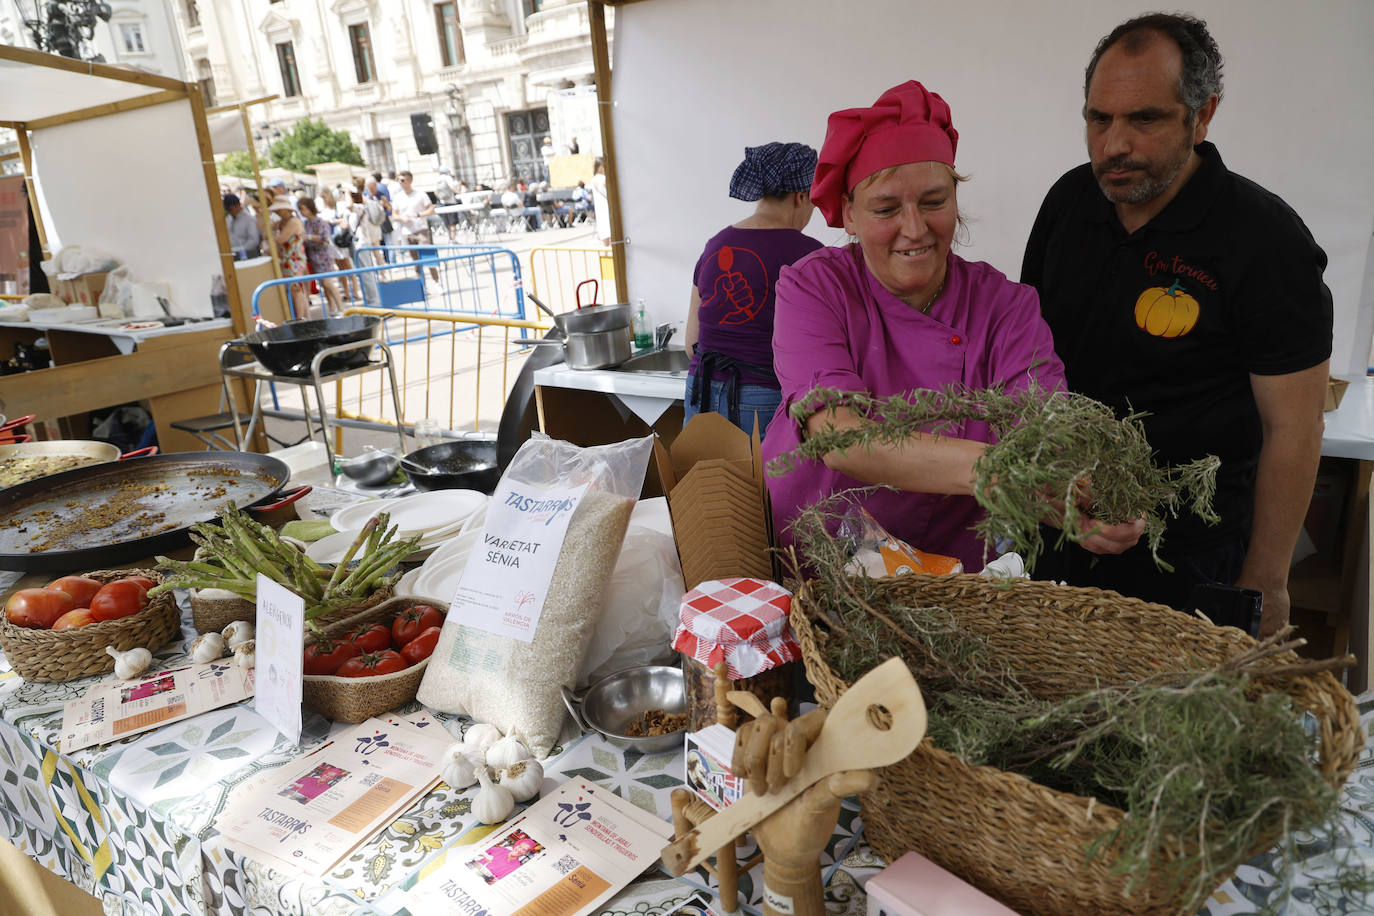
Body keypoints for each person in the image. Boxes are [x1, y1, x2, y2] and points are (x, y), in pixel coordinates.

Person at [1020, 13, 1331, 636]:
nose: (1114, 145)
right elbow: (1027, 363)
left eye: (1145, 119)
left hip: (1192, 556)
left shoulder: (1264, 240)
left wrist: (1268, 583)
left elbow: (1293, 427)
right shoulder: (1069, 204)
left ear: (1203, 113)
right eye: (1098, 118)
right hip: (1061, 534)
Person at [759, 80, 1143, 573]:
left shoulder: (1006, 307)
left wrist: (1077, 502)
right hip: (819, 560)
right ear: (850, 214)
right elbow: (840, 439)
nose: (915, 228)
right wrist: (995, 470)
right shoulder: (815, 287)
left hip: (951, 583)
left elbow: (1043, 438)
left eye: (934, 201)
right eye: (886, 209)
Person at [684, 142, 822, 434]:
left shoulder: (716, 244)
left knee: (704, 480)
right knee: (765, 482)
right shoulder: (809, 255)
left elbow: (690, 344)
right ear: (801, 197)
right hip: (762, 398)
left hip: (700, 391)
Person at [298, 197, 344, 316]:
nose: (301, 211)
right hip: (313, 254)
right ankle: (332, 307)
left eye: (303, 208)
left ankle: (340, 307)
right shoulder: (306, 223)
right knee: (323, 284)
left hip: (323, 254)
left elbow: (323, 238)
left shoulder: (320, 222)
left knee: (328, 282)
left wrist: (308, 237)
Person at [393, 170, 439, 282]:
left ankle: (436, 281)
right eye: (398, 180)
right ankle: (422, 284)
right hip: (407, 231)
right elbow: (394, 215)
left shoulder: (420, 194)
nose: (400, 182)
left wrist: (418, 215)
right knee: (415, 260)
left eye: (402, 180)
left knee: (428, 257)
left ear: (410, 181)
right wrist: (401, 218)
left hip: (421, 229)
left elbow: (431, 210)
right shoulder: (397, 197)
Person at [267, 196, 309, 317]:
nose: (277, 212)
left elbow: (281, 239)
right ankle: (304, 317)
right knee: (295, 289)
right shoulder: (282, 222)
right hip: (288, 260)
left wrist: (270, 237)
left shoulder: (293, 222)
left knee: (296, 289)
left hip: (295, 260)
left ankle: (301, 318)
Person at [223, 193, 261, 260]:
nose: (230, 212)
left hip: (248, 255)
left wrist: (237, 249)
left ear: (238, 206)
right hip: (232, 254)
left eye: (231, 209)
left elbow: (253, 241)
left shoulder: (249, 219)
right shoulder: (228, 219)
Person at [590, 157, 610, 246]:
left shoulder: (594, 179)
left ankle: (605, 256)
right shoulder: (603, 178)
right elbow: (606, 193)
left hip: (599, 208)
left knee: (604, 238)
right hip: (607, 207)